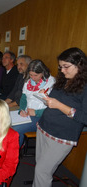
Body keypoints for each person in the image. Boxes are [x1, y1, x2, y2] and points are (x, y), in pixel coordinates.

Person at [33, 48, 87, 187]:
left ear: (80, 64)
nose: (62, 71)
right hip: (44, 127)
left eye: (66, 67)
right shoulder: (63, 79)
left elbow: (85, 117)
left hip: (62, 136)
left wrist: (59, 105)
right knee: (40, 167)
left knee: (42, 171)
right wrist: (46, 97)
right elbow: (55, 100)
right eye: (60, 67)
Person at [12, 59, 55, 146]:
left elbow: (53, 107)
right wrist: (21, 110)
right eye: (31, 75)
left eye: (36, 75)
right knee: (5, 122)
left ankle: (13, 155)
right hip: (27, 113)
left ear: (43, 72)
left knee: (15, 129)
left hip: (42, 117)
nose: (33, 78)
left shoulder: (52, 82)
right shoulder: (28, 80)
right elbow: (24, 98)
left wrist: (36, 112)